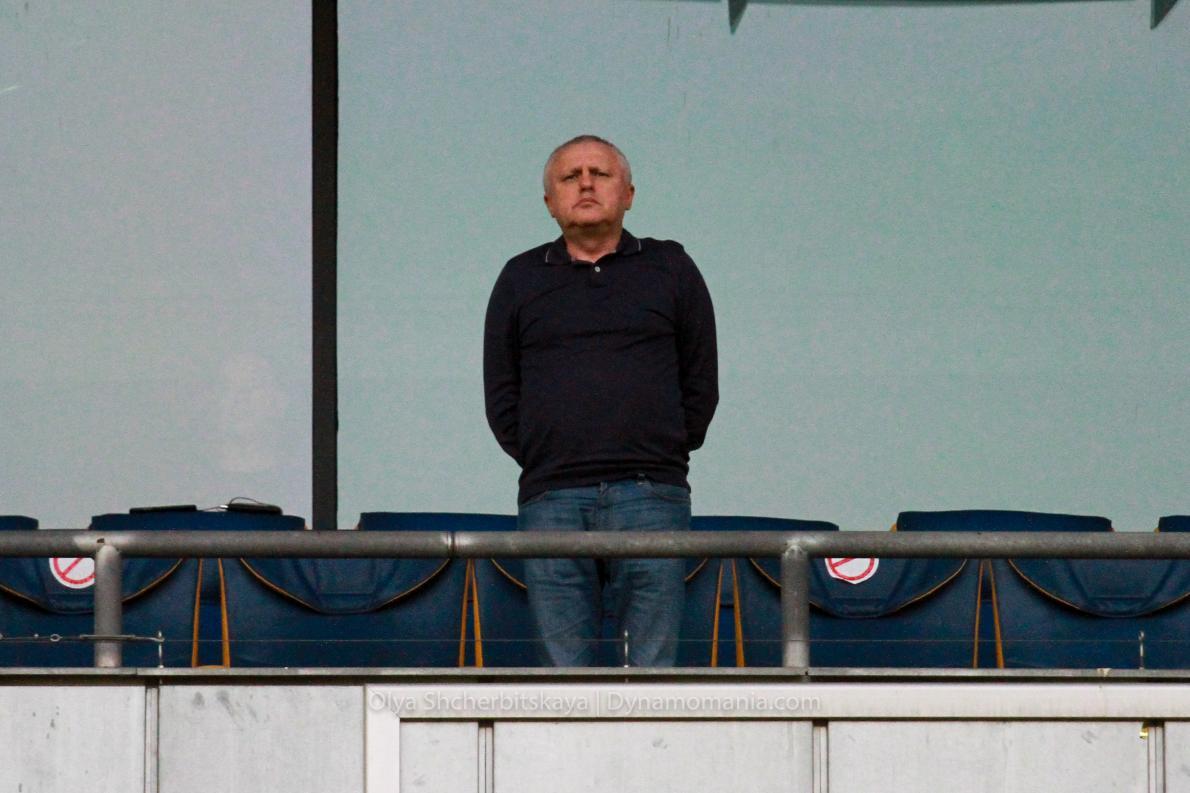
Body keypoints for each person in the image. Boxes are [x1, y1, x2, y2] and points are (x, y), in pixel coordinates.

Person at [483, 135, 718, 666]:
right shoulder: (520, 277)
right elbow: (500, 390)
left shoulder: (671, 267)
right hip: (552, 496)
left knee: (652, 670)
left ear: (629, 194)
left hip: (651, 493)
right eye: (570, 177)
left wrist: (665, 449)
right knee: (563, 675)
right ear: (550, 202)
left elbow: (701, 378)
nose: (585, 184)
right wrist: (543, 455)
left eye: (600, 174)